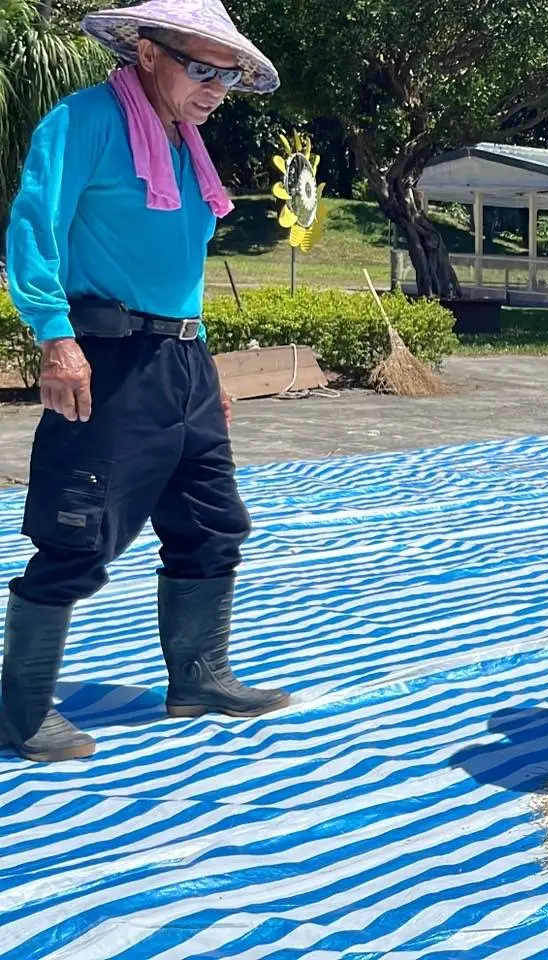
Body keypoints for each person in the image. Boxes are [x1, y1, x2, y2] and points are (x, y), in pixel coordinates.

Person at [1, 0, 289, 763]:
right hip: (111, 358)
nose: (216, 89)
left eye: (228, 76)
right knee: (75, 534)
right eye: (203, 69)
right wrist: (54, 339)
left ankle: (199, 678)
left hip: (183, 363)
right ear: (149, 53)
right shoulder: (85, 120)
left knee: (211, 522)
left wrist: (208, 366)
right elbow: (34, 231)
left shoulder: (186, 144)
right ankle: (23, 713)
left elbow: (182, 270)